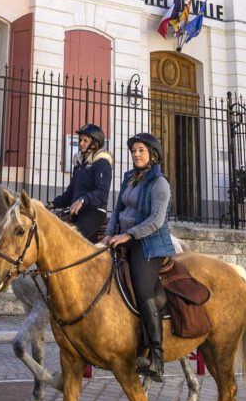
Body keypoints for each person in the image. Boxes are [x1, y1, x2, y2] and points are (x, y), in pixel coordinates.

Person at [107, 131, 173, 383]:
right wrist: (108, 235)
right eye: (134, 150)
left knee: (144, 291)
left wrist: (129, 235)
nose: (136, 154)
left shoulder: (160, 183)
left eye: (141, 150)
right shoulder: (129, 178)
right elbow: (117, 211)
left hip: (149, 245)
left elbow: (156, 220)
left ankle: (156, 357)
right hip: (123, 238)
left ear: (153, 155)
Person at [50, 124, 112, 243]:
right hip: (77, 212)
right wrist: (53, 204)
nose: (81, 143)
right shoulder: (79, 165)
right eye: (80, 140)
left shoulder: (101, 162)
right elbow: (71, 192)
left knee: (71, 241)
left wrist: (82, 200)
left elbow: (102, 193)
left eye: (85, 141)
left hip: (95, 212)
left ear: (94, 143)